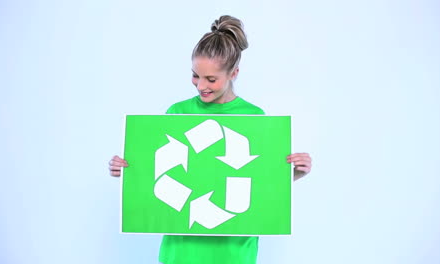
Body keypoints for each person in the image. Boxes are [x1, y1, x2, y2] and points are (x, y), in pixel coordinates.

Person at [109, 15, 312, 264]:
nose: (200, 86)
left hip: (233, 252)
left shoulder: (253, 117)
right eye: (195, 76)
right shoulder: (177, 113)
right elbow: (161, 172)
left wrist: (293, 173)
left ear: (234, 73)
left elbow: (256, 180)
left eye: (211, 79)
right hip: (182, 251)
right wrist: (129, 170)